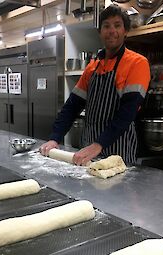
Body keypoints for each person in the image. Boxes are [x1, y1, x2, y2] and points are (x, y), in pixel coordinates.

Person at [40, 4, 150, 165]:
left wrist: (99, 145)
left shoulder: (137, 63)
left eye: (117, 25)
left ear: (125, 31)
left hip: (119, 153)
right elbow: (72, 106)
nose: (111, 31)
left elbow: (128, 112)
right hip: (89, 151)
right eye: (106, 26)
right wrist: (54, 138)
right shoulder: (92, 67)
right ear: (100, 32)